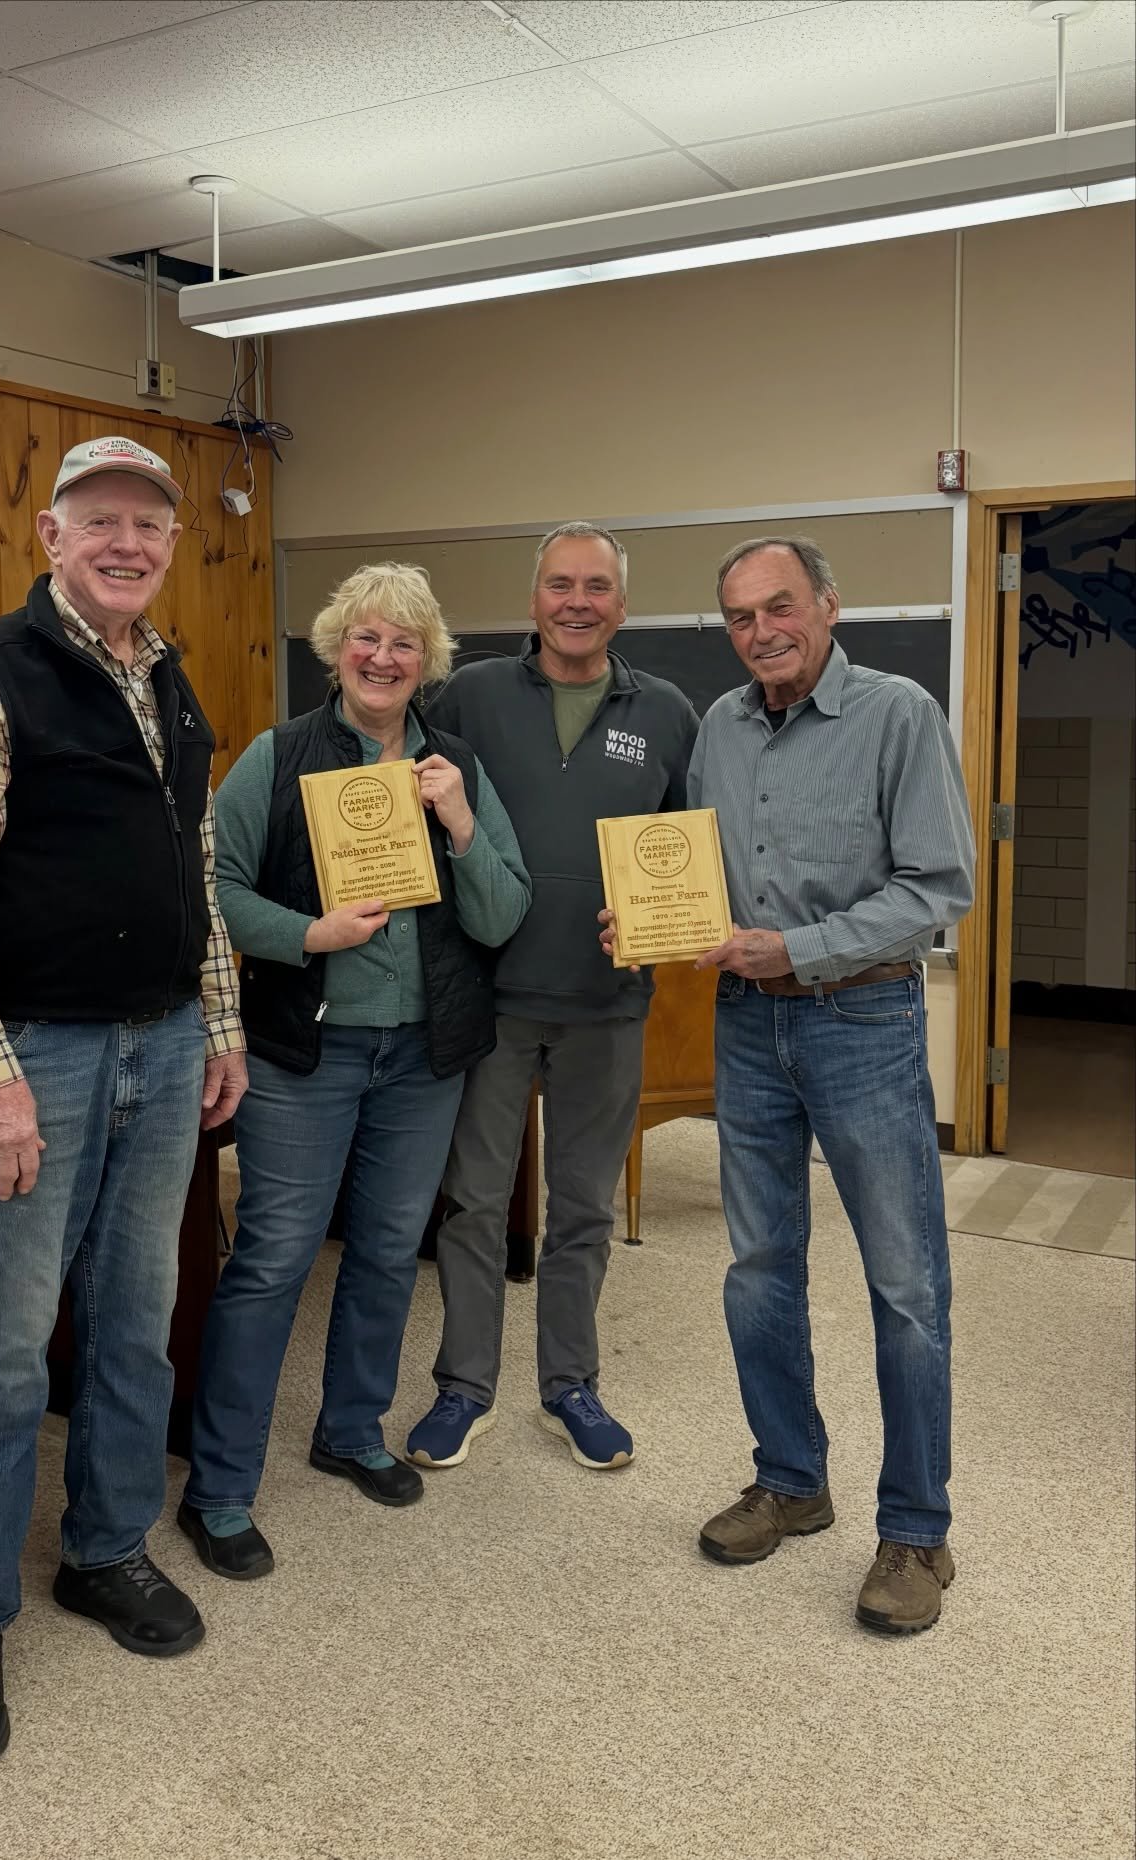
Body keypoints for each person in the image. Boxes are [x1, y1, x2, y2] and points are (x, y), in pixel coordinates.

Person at [0, 436, 247, 1769]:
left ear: (169, 547)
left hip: (163, 1053)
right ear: (51, 532)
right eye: (99, 521)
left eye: (148, 528)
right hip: (33, 1057)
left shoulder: (173, 681)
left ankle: (104, 1550)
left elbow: (199, 868)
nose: (127, 543)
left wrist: (217, 1019)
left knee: (135, 1327)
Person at [177, 564, 530, 1580]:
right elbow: (213, 893)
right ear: (337, 649)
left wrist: (460, 821)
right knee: (276, 1258)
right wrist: (306, 932)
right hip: (309, 1050)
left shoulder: (454, 761)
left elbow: (501, 915)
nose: (384, 658)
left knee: (383, 1250)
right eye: (367, 639)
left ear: (428, 663)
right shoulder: (278, 757)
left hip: (423, 1057)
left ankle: (351, 1429)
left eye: (405, 644)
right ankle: (222, 1487)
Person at [682, 534, 973, 1634]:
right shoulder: (719, 725)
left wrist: (795, 951)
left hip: (862, 1019)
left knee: (904, 1285)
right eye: (742, 617)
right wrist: (654, 920)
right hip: (746, 1027)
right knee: (760, 1267)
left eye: (779, 606)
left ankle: (916, 1533)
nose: (763, 631)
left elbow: (939, 888)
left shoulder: (897, 714)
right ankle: (792, 1481)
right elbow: (698, 870)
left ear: (827, 606)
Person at [405, 521, 699, 1474]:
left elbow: (690, 850)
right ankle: (463, 1386)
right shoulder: (468, 695)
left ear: (624, 604)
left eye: (598, 587)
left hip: (606, 1001)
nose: (579, 602)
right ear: (533, 600)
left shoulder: (667, 712)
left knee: (580, 1208)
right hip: (488, 999)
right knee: (475, 1203)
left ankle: (570, 1384)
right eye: (561, 585)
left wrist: (665, 924)